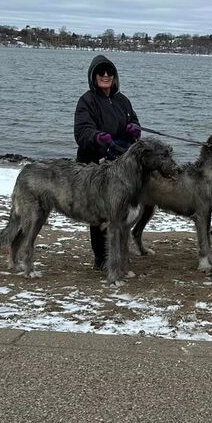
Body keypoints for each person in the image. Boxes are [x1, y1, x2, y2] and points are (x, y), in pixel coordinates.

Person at [73, 54, 142, 269]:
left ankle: (119, 253)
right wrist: (97, 138)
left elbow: (135, 123)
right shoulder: (87, 101)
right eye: (100, 72)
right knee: (100, 213)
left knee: (122, 211)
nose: (105, 75)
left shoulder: (123, 101)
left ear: (115, 76)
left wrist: (134, 128)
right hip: (94, 164)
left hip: (120, 163)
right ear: (93, 76)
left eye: (109, 72)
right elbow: (82, 132)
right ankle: (101, 258)